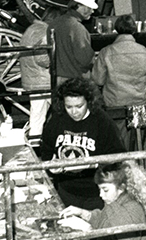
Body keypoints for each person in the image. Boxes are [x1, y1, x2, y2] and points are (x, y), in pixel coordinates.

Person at [40, 78, 124, 209]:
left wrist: (95, 163)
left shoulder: (102, 121)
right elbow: (46, 148)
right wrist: (51, 166)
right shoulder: (57, 119)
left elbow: (118, 156)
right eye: (69, 107)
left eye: (79, 106)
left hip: (95, 192)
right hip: (66, 190)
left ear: (89, 102)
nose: (74, 112)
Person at [92, 15, 146, 146]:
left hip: (115, 103)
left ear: (116, 30)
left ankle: (121, 165)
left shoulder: (106, 52)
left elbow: (98, 80)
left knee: (118, 142)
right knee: (139, 143)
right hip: (140, 102)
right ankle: (139, 164)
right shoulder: (144, 51)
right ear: (134, 30)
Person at [20, 7, 58, 138]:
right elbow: (42, 59)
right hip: (45, 82)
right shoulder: (45, 32)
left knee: (37, 118)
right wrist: (56, 61)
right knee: (64, 113)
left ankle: (34, 146)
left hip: (32, 80)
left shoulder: (30, 29)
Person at [50, 0, 98, 83]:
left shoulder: (54, 23)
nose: (92, 11)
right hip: (75, 78)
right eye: (90, 8)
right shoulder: (77, 27)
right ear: (80, 7)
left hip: (56, 77)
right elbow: (85, 59)